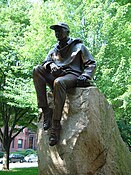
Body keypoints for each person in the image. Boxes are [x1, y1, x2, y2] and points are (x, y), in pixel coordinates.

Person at [33, 22, 96, 146]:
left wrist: (85, 75)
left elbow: (91, 64)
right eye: (56, 31)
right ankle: (46, 110)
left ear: (67, 32)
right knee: (36, 69)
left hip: (72, 75)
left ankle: (56, 125)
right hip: (57, 75)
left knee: (59, 82)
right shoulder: (54, 49)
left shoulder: (79, 47)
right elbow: (45, 62)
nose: (57, 33)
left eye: (60, 30)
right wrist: (51, 65)